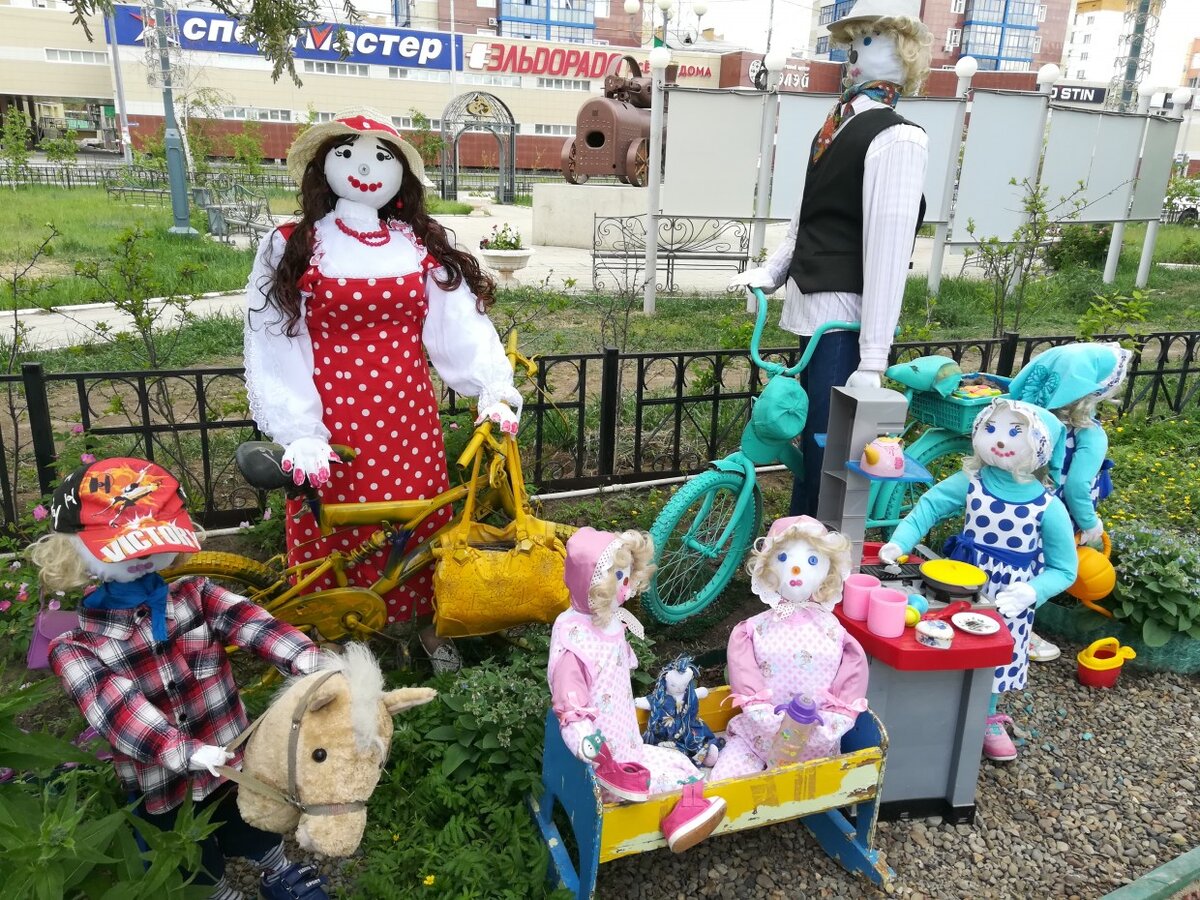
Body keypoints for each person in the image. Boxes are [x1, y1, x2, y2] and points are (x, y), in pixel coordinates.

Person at [243, 108, 521, 672]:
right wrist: (300, 429)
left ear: (402, 175)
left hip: (407, 417)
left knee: (420, 521)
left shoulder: (417, 244)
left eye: (382, 157)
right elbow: (275, 339)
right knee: (335, 521)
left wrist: (491, 388)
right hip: (332, 418)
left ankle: (425, 626)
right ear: (324, 168)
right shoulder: (295, 244)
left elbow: (458, 324)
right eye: (348, 155)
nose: (366, 168)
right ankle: (332, 636)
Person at [32, 457, 329, 900]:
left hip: (230, 761)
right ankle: (217, 891)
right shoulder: (76, 647)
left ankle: (276, 869)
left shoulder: (195, 594)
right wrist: (183, 751)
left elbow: (249, 620)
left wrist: (309, 662)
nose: (143, 557)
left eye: (152, 544)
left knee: (253, 818)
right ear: (75, 552)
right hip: (162, 783)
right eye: (125, 549)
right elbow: (118, 713)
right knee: (185, 850)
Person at [730, 0, 931, 517]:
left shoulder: (898, 136)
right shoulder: (836, 125)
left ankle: (823, 552)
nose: (855, 56)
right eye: (853, 44)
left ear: (903, 51)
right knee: (811, 440)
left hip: (845, 320)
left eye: (869, 41)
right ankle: (798, 538)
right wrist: (772, 272)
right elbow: (808, 219)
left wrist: (874, 359)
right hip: (814, 310)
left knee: (831, 449)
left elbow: (888, 252)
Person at [879, 400, 1078, 761]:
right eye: (991, 429)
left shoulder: (1049, 507)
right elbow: (930, 505)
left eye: (1015, 433)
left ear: (1040, 446)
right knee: (948, 639)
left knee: (995, 656)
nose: (1000, 441)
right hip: (962, 581)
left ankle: (987, 717)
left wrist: (1032, 591)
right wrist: (900, 541)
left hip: (1010, 596)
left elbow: (1065, 569)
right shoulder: (973, 483)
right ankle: (940, 703)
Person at [548, 528, 727, 853]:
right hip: (609, 769)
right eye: (618, 575)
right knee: (681, 779)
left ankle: (687, 807)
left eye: (627, 574)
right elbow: (570, 707)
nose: (626, 583)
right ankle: (678, 819)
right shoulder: (576, 641)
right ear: (590, 581)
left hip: (628, 746)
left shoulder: (605, 620)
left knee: (680, 762)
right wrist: (592, 748)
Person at [710, 516, 868, 780]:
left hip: (816, 744)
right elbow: (745, 676)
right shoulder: (753, 630)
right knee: (724, 783)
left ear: (829, 570)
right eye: (783, 558)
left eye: (812, 560)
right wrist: (764, 718)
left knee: (812, 785)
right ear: (766, 567)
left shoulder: (835, 634)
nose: (796, 569)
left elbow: (850, 682)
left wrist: (830, 726)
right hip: (755, 737)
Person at [1006, 341, 1133, 662]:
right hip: (1056, 517)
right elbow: (1077, 486)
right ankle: (1019, 634)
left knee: (1013, 566)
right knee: (1042, 573)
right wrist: (1090, 523)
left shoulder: (1031, 422)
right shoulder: (1090, 434)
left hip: (1016, 506)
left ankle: (991, 619)